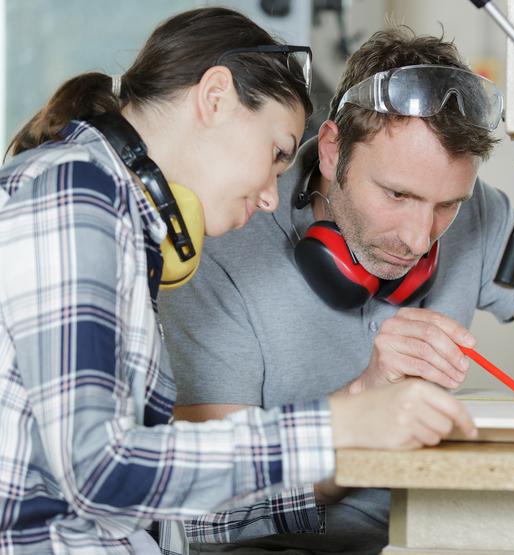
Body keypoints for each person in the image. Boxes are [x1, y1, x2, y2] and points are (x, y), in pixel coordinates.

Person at [158, 27, 514, 554]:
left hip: (440, 529)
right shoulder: (223, 243)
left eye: (446, 206)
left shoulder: (479, 215)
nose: (417, 237)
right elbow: (214, 507)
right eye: (398, 195)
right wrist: (365, 400)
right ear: (333, 151)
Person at [0, 10, 477, 555]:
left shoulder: (107, 210)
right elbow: (100, 478)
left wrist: (348, 434)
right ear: (216, 97)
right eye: (277, 154)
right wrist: (331, 426)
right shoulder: (76, 193)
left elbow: (153, 504)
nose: (274, 196)